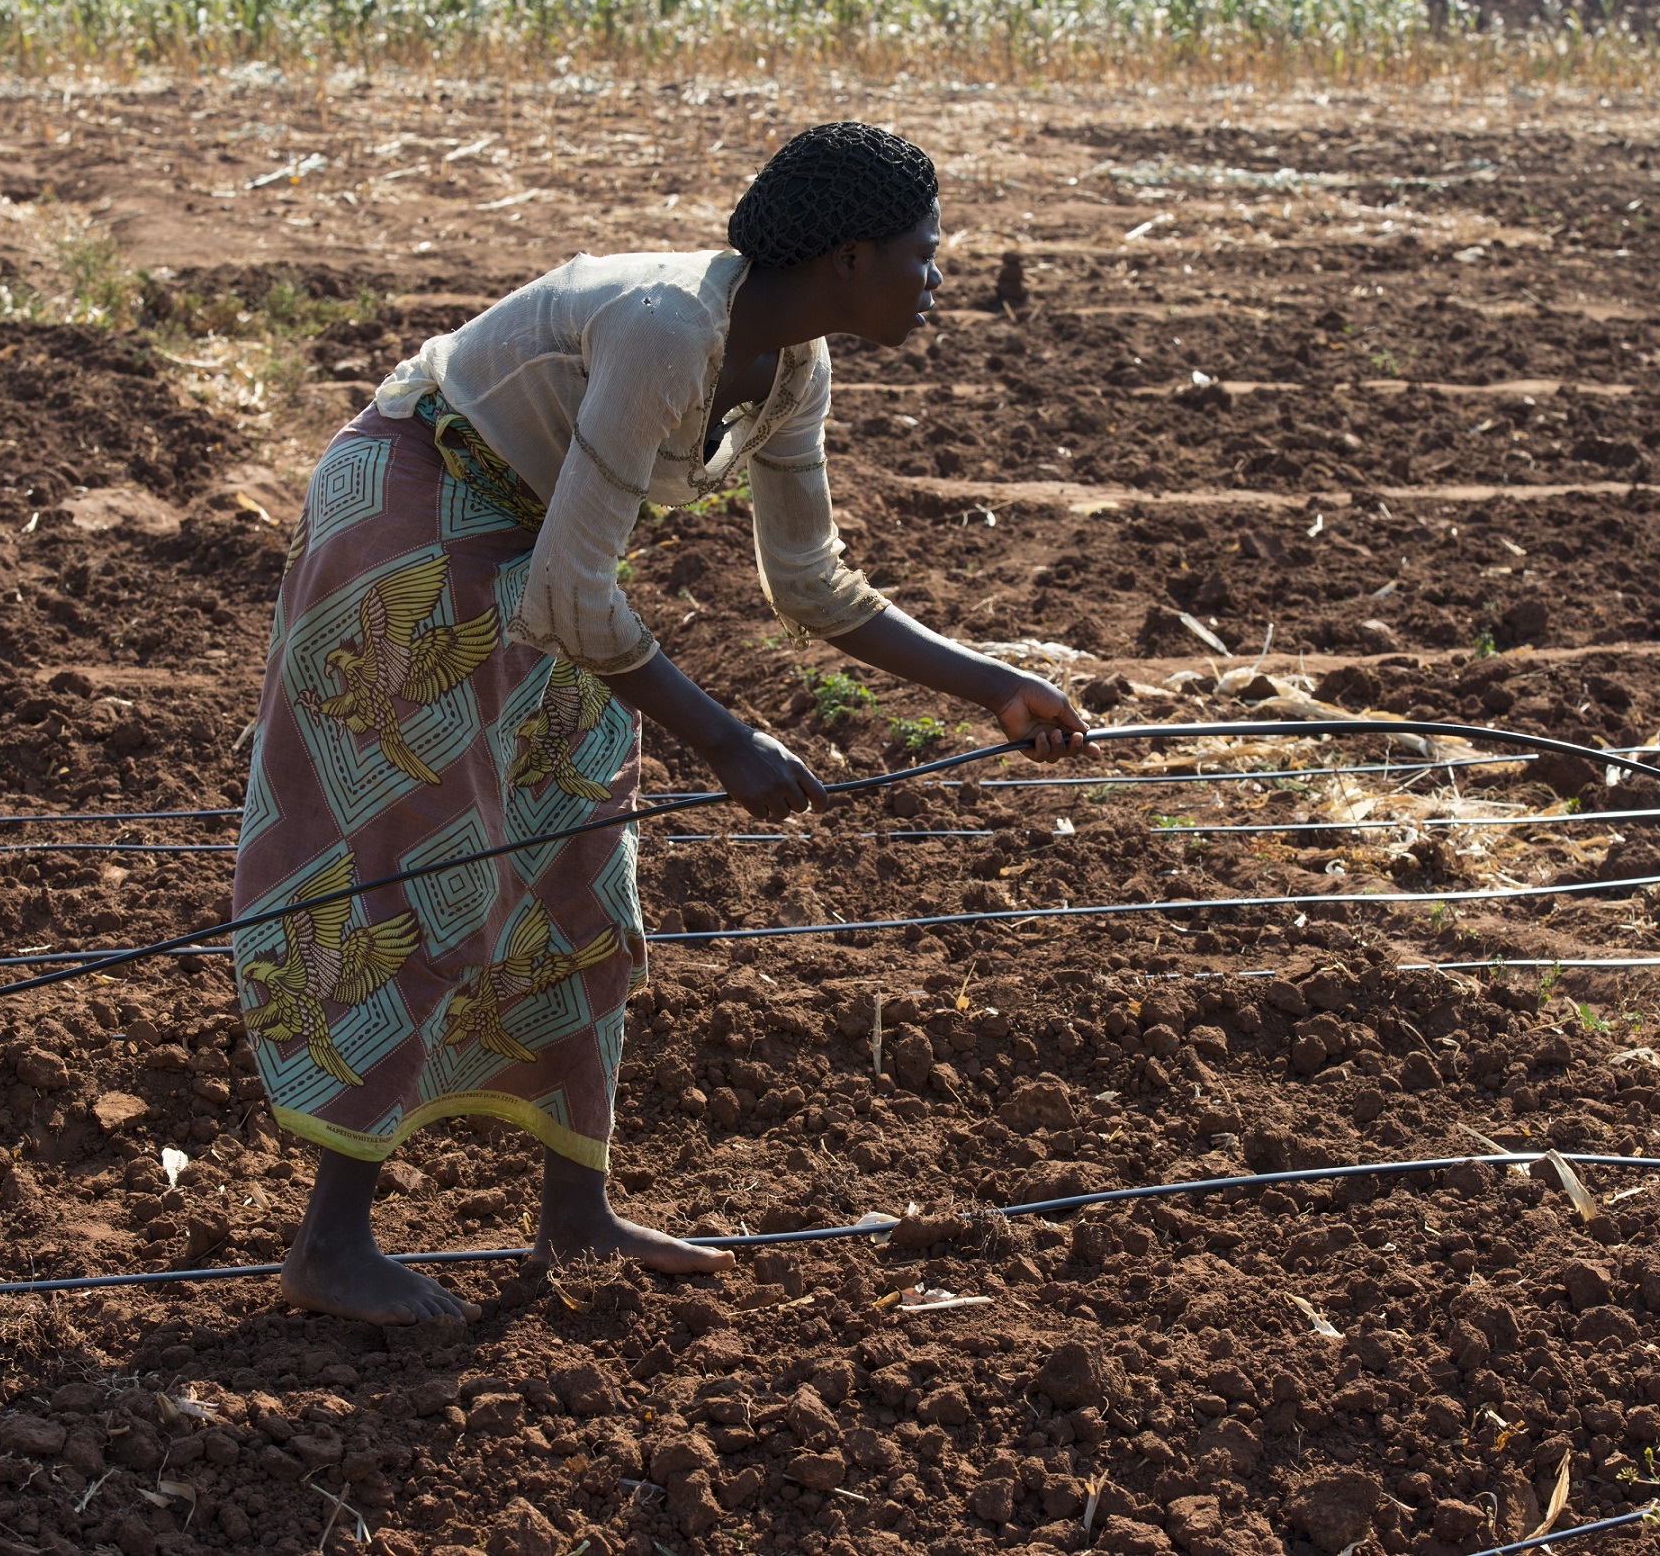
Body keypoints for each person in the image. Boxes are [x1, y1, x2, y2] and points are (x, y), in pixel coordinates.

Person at [231, 121, 1095, 1325]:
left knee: (589, 858)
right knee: (429, 865)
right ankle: (331, 1242)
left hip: (540, 545)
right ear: (850, 258)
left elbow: (809, 583)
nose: (936, 277)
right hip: (417, 513)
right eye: (922, 252)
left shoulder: (794, 366)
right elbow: (573, 598)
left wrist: (987, 683)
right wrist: (728, 742)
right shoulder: (668, 326)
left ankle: (576, 1212)